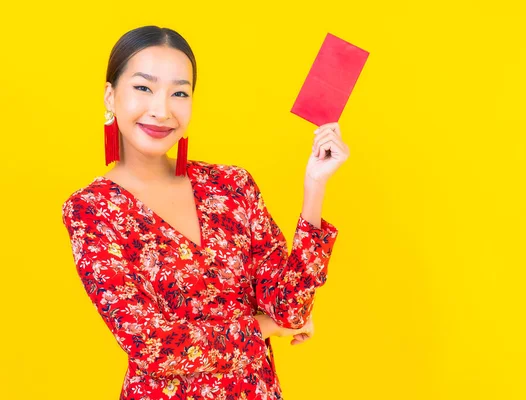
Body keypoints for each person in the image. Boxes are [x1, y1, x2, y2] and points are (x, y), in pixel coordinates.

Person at [61, 25, 349, 400]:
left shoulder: (231, 185)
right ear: (110, 96)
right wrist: (264, 326)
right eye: (143, 87)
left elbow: (291, 309)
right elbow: (154, 346)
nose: (161, 109)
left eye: (179, 92)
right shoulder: (91, 210)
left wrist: (315, 185)